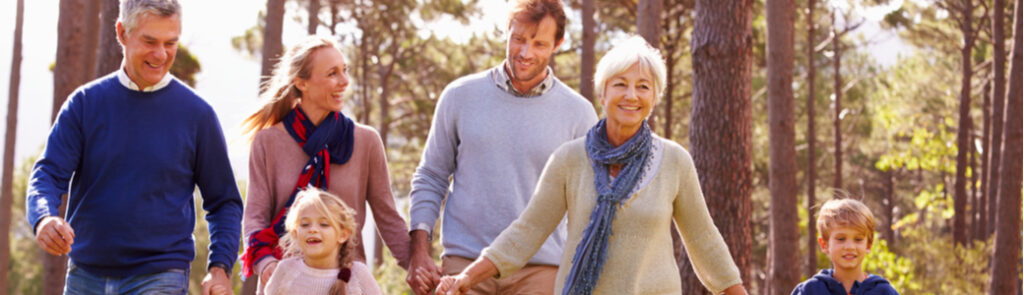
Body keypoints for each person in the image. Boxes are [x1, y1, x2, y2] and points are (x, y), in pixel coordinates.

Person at [436, 36, 748, 295]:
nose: (631, 95)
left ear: (654, 97)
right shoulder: (569, 159)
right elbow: (528, 230)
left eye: (643, 86)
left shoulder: (674, 160)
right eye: (620, 84)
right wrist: (469, 276)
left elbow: (704, 240)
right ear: (602, 92)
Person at [25, 0, 242, 294]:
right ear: (122, 33)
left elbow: (224, 201)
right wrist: (43, 217)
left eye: (170, 43)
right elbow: (48, 173)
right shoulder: (85, 104)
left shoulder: (198, 115)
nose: (161, 54)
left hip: (161, 275)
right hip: (85, 275)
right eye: (150, 41)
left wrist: (219, 268)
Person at [406, 0, 599, 293]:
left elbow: (587, 204)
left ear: (557, 44)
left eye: (539, 44)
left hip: (540, 270)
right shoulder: (459, 96)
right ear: (507, 31)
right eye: (518, 39)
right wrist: (418, 251)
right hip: (464, 263)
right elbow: (431, 176)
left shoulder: (579, 113)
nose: (525, 53)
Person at [239, 36, 418, 293]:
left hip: (347, 283)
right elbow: (255, 218)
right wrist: (265, 263)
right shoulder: (267, 142)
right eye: (333, 73)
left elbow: (389, 218)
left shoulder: (365, 141)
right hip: (286, 282)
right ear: (301, 83)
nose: (344, 81)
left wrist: (417, 267)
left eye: (345, 71)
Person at [264, 189, 382, 295]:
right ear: (295, 234)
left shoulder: (358, 275)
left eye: (324, 224)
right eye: (305, 224)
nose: (313, 229)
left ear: (343, 234)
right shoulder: (286, 270)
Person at [790, 199, 900, 295]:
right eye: (841, 239)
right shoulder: (810, 291)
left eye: (858, 239)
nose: (850, 247)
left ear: (868, 245)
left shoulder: (884, 292)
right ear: (824, 244)